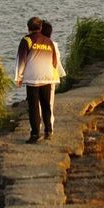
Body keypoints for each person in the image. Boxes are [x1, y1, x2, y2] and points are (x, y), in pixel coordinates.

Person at [14, 16, 58, 144]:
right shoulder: (48, 41)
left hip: (33, 79)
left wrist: (18, 78)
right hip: (47, 78)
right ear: (40, 28)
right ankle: (48, 131)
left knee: (33, 107)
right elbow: (54, 62)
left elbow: (21, 60)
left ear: (28, 28)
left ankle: (35, 134)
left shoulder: (26, 40)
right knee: (46, 105)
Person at [41, 20, 66, 131]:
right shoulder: (54, 45)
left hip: (39, 78)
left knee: (38, 105)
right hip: (51, 78)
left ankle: (38, 127)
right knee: (49, 103)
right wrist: (61, 74)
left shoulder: (35, 46)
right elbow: (57, 62)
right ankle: (49, 126)